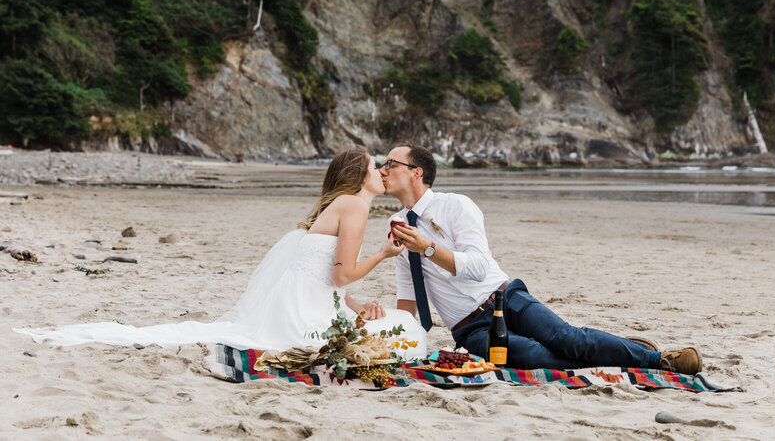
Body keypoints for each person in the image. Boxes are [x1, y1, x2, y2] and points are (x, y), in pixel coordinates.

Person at [14, 149, 427, 359]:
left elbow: (320, 278)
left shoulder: (342, 206)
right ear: (359, 177)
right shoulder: (354, 206)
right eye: (376, 166)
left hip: (302, 306)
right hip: (302, 320)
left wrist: (355, 307)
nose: (382, 171)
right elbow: (339, 275)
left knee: (397, 325)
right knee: (410, 332)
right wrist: (382, 255)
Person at [382, 144, 702, 375]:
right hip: (470, 330)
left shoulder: (456, 206)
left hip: (503, 298)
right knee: (538, 357)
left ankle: (659, 359)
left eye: (390, 164)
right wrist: (403, 342)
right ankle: (622, 351)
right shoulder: (396, 225)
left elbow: (478, 267)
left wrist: (428, 248)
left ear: (416, 173)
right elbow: (408, 292)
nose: (382, 170)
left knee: (567, 338)